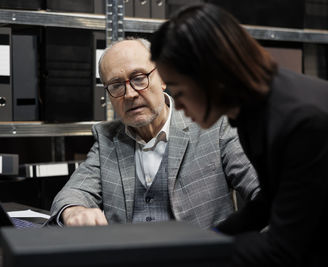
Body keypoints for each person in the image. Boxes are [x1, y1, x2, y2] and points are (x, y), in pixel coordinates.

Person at [150, 3, 328, 267]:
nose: (179, 105)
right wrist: (209, 237)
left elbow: (283, 248)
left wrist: (191, 255)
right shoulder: (249, 109)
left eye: (179, 91)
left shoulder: (301, 121)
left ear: (211, 76)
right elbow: (269, 203)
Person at [49, 38, 259, 229]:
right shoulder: (107, 138)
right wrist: (75, 209)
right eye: (116, 85)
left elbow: (264, 192)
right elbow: (74, 192)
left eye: (139, 78)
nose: (130, 94)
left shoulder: (215, 125)